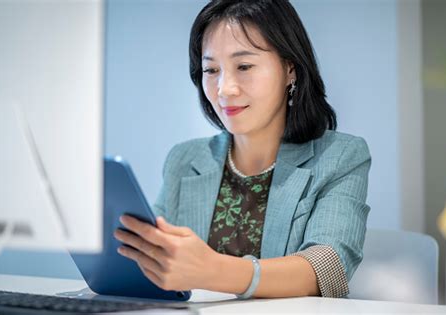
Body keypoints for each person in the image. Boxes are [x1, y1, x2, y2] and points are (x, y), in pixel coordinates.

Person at [113, 0, 371, 299]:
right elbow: (149, 259)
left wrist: (213, 270)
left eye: (244, 66)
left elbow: (326, 270)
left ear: (290, 69)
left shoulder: (341, 156)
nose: (225, 88)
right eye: (211, 70)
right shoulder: (185, 159)